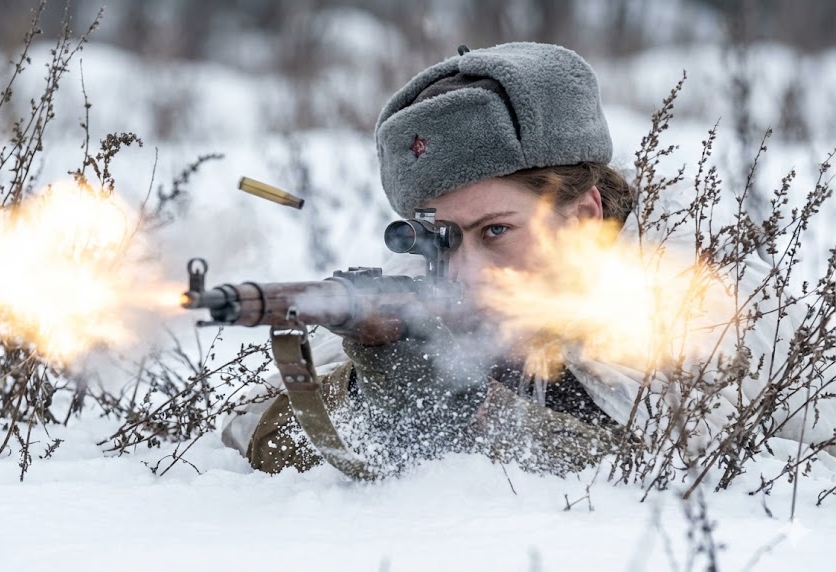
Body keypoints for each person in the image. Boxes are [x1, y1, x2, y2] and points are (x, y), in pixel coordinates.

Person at [222, 42, 836, 477]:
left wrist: (482, 407)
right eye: (441, 236)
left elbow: (684, 473)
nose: (466, 269)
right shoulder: (422, 282)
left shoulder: (703, 290)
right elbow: (248, 431)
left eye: (496, 231)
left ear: (584, 214)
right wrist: (373, 380)